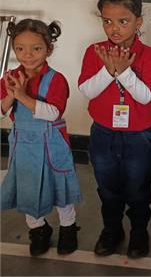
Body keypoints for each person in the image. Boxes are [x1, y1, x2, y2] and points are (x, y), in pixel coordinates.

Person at [78, 0, 151, 259]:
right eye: (107, 21)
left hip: (138, 135)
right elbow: (87, 90)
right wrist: (108, 69)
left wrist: (124, 72)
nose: (114, 29)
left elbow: (146, 97)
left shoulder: (148, 55)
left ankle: (139, 231)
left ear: (138, 22)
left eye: (123, 21)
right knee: (108, 187)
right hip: (103, 133)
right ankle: (112, 229)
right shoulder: (94, 51)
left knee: (138, 188)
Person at [1, 19, 81, 256]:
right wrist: (11, 95)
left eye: (36, 48)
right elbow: (2, 109)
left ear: (49, 49)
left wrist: (22, 95)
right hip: (22, 146)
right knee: (27, 186)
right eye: (20, 48)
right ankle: (38, 229)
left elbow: (53, 113)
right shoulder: (10, 77)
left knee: (60, 188)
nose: (27, 55)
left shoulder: (56, 79)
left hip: (52, 145)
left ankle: (68, 227)